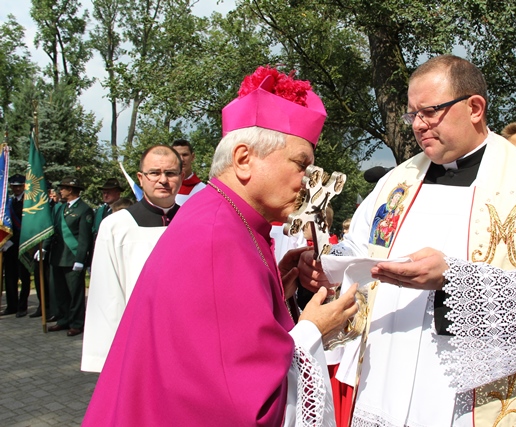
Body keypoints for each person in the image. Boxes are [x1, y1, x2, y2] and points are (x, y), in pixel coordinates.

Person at [298, 54, 516, 426]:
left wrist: (454, 281)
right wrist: (327, 265)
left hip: (467, 396)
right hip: (385, 376)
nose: (417, 125)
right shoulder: (396, 182)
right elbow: (361, 248)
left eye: (430, 112)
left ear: (475, 108)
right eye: (412, 115)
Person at [82, 66, 358, 426]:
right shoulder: (218, 235)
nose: (307, 181)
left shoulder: (220, 213)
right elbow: (244, 403)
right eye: (300, 164)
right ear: (244, 159)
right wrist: (313, 330)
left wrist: (274, 289)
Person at [81, 146, 182, 372]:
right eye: (154, 173)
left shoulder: (194, 221)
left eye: (170, 173)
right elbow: (106, 297)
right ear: (141, 178)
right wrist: (107, 360)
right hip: (137, 343)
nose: (163, 180)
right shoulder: (116, 226)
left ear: (181, 176)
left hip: (184, 343)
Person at [47, 177, 94, 336]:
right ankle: (63, 320)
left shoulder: (84, 209)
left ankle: (76, 323)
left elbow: (84, 238)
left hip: (72, 258)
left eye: (63, 188)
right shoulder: (61, 208)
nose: (60, 191)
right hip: (58, 256)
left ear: (71, 190)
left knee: (75, 294)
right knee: (60, 292)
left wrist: (80, 260)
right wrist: (45, 248)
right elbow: (54, 231)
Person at [1, 174, 31, 317]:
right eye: (14, 186)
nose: (17, 189)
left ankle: (22, 306)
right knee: (10, 276)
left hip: (23, 243)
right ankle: (11, 305)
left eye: (19, 186)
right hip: (9, 245)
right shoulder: (8, 202)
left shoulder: (29, 202)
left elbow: (28, 225)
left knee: (24, 276)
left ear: (24, 186)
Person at [171, 139, 206, 205]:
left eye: (185, 155)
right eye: (177, 155)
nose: (181, 159)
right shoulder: (163, 186)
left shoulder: (203, 189)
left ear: (192, 157)